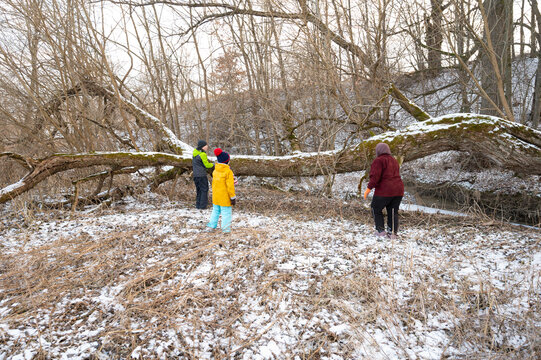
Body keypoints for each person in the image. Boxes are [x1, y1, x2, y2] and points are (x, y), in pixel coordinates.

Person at [363, 142, 404, 239]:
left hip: (385, 190)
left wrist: (368, 188)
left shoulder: (378, 160)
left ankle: (380, 231)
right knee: (393, 211)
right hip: (398, 190)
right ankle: (392, 233)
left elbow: (375, 177)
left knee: (375, 208)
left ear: (378, 151)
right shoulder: (394, 160)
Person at [206, 148, 236, 233]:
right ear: (227, 162)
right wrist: (233, 197)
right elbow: (230, 186)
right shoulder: (228, 172)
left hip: (216, 196)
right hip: (224, 197)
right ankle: (226, 229)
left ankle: (211, 226)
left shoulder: (215, 170)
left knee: (215, 211)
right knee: (226, 213)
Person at [192, 140, 214, 209]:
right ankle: (203, 206)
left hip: (195, 175)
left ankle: (198, 205)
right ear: (202, 147)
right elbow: (207, 165)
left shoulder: (194, 153)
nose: (207, 146)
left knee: (199, 190)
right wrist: (213, 164)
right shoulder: (203, 154)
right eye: (206, 145)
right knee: (204, 190)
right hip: (202, 175)